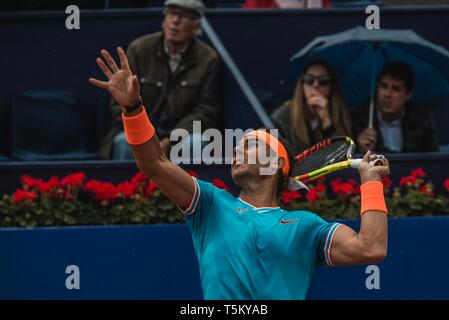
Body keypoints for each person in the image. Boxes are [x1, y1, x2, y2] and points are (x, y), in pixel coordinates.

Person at [89, 47, 389, 299]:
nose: (237, 150)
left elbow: (371, 248)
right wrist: (133, 108)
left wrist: (371, 180)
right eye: (238, 144)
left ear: (276, 165)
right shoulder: (210, 204)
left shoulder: (306, 226)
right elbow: (153, 162)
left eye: (251, 144)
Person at [99, 0, 221, 159]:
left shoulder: (208, 58)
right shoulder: (139, 49)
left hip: (181, 134)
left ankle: (189, 185)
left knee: (196, 143)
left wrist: (171, 138)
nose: (175, 21)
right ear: (164, 20)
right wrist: (145, 134)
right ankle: (131, 185)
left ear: (196, 26)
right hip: (140, 129)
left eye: (183, 16)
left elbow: (206, 110)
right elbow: (119, 102)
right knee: (124, 142)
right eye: (171, 14)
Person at [352, 62, 439, 153]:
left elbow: (432, 162)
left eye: (396, 88)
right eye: (384, 86)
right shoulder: (357, 120)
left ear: (408, 94)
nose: (387, 94)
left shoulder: (423, 121)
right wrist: (360, 150)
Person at [271, 60, 351, 155]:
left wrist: (327, 123)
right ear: (302, 85)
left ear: (331, 87)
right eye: (309, 79)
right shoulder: (283, 116)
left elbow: (341, 155)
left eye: (323, 81)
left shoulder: (340, 114)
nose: (316, 85)